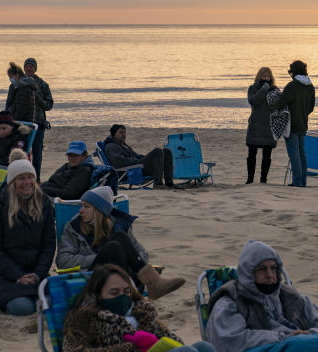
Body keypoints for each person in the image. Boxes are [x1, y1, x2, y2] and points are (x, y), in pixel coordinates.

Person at [206, 240, 318, 352]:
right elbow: (229, 341)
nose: (270, 275)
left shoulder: (290, 297)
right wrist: (283, 338)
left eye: (273, 268)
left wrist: (310, 334)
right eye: (262, 269)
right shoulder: (230, 301)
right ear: (248, 273)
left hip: (297, 344)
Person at [56, 186, 185, 299]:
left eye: (86, 206)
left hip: (124, 275)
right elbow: (62, 260)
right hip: (93, 276)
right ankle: (153, 283)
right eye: (81, 206)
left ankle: (147, 285)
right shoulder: (74, 228)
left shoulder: (119, 225)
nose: (80, 211)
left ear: (100, 211)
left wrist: (126, 257)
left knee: (119, 238)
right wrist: (100, 258)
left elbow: (142, 254)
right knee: (114, 246)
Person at [63, 264, 212, 352]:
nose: (122, 296)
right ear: (98, 295)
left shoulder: (142, 312)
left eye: (126, 291)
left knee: (204, 347)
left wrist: (154, 342)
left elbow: (174, 341)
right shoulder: (84, 318)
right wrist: (133, 347)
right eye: (114, 292)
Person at [0, 152, 56, 315]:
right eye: (21, 178)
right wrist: (18, 276)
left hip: (37, 273)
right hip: (6, 276)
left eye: (30, 177)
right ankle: (0, 299)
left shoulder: (44, 205)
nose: (27, 182)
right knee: (23, 308)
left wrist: (38, 273)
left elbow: (49, 245)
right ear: (12, 182)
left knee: (51, 303)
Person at [271, 61, 315, 188]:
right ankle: (303, 182)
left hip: (291, 124)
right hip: (303, 123)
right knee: (302, 153)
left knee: (294, 154)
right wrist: (303, 113)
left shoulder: (292, 86)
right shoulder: (310, 86)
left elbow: (280, 103)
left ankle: (297, 182)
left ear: (293, 72)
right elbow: (311, 108)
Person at [7, 58, 53, 178]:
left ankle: (36, 178)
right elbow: (9, 105)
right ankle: (22, 175)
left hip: (39, 124)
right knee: (22, 152)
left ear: (35, 68)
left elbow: (49, 105)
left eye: (31, 66)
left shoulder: (42, 84)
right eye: (26, 66)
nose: (28, 68)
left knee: (37, 153)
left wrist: (38, 99)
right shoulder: (16, 85)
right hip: (22, 124)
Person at [103, 125, 174, 188]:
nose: (124, 135)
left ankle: (169, 183)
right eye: (121, 132)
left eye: (124, 132)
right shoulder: (111, 146)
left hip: (137, 166)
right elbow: (117, 162)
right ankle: (158, 183)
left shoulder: (122, 145)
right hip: (132, 171)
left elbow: (135, 155)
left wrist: (143, 157)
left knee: (166, 151)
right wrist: (135, 160)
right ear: (113, 134)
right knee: (157, 151)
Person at [246, 67, 279, 184]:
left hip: (269, 126)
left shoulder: (275, 90)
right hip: (255, 125)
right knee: (252, 154)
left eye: (268, 76)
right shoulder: (253, 88)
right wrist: (263, 89)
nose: (266, 79)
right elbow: (253, 102)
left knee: (267, 155)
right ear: (259, 77)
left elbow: (278, 105)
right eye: (264, 76)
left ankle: (263, 179)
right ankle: (250, 180)